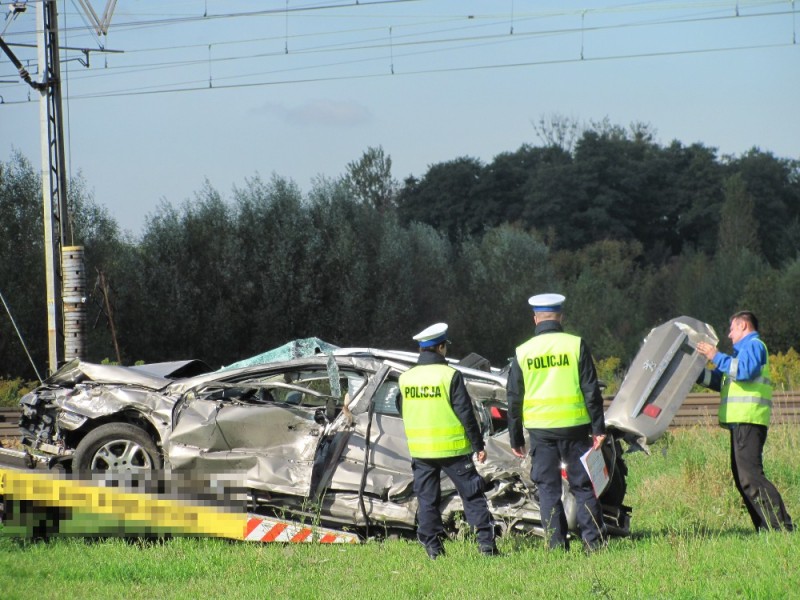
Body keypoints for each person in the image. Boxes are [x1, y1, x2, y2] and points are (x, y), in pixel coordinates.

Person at [506, 293, 607, 552]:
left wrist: (515, 437)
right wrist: (598, 428)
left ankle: (556, 546)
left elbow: (514, 398)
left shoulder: (523, 351)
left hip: (541, 431)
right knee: (583, 485)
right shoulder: (575, 345)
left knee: (548, 489)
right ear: (560, 317)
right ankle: (593, 544)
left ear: (535, 319)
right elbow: (591, 390)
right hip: (576, 428)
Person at [398, 322, 498, 559]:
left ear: (422, 349)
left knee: (427, 501)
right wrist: (478, 446)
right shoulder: (450, 375)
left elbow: (402, 409)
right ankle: (486, 547)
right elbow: (466, 414)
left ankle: (433, 550)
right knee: (473, 496)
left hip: (421, 451)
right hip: (453, 450)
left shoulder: (405, 378)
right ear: (441, 348)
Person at [696, 311, 793, 532]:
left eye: (731, 329)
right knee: (743, 478)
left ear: (743, 326)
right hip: (741, 422)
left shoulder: (754, 346)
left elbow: (744, 372)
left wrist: (715, 355)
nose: (729, 335)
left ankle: (782, 527)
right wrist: (696, 373)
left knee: (750, 477)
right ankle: (766, 527)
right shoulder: (740, 353)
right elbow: (722, 382)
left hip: (749, 420)